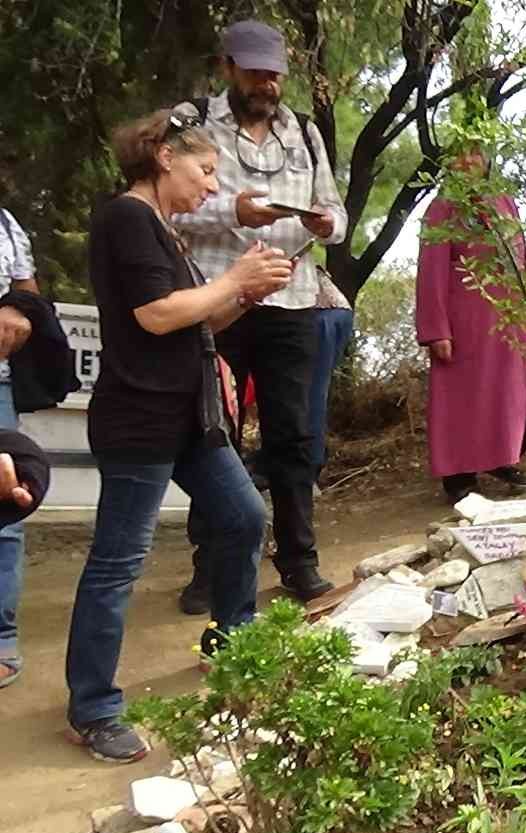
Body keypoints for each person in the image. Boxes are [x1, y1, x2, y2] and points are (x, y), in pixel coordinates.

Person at [67, 109, 287, 762]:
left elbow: (192, 323)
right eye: (206, 170)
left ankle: (233, 643)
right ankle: (94, 707)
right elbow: (155, 315)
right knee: (118, 561)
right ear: (165, 156)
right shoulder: (126, 218)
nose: (212, 188)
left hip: (190, 418)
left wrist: (243, 295)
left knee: (245, 515)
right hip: (139, 420)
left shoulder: (163, 232)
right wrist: (231, 281)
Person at [172, 20, 349, 610]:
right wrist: (234, 213)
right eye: (254, 72)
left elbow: (340, 217)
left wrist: (326, 222)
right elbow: (167, 210)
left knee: (295, 436)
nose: (266, 83)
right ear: (227, 68)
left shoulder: (303, 131)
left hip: (292, 300)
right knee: (212, 433)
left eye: (274, 73)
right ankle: (212, 569)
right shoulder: (192, 123)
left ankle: (299, 561)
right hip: (217, 301)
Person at [416, 148, 526, 503]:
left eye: (475, 154)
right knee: (461, 398)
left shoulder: (504, 203)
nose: (467, 161)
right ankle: (459, 474)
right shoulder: (441, 209)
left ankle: (502, 458)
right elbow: (431, 273)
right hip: (464, 322)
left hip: (509, 318)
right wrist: (435, 328)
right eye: (460, 155)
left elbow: (523, 260)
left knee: (506, 396)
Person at [0, 206, 38, 688]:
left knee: (6, 505)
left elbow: (29, 297)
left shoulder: (7, 223)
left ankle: (1, 635)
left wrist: (18, 310)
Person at [307, 266, 352, 484]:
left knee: (310, 395)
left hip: (321, 314)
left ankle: (309, 470)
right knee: (314, 393)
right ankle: (311, 465)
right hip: (336, 312)